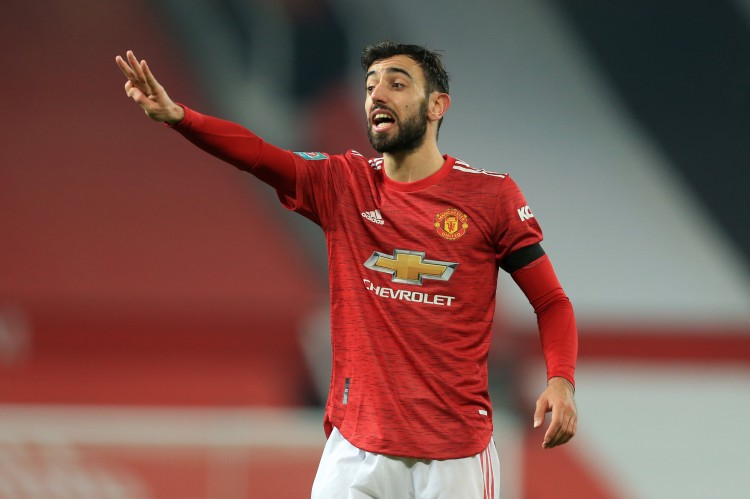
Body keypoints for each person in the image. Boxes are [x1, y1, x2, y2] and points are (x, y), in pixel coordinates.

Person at [116, 41, 578, 498]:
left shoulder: (490, 197)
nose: (377, 95)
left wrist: (560, 381)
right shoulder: (343, 184)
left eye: (397, 84)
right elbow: (257, 154)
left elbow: (551, 301)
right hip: (355, 451)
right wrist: (179, 116)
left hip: (454, 457)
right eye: (370, 86)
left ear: (437, 106)